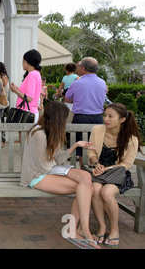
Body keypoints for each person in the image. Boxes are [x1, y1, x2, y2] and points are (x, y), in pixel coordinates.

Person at [20, 101, 100, 249]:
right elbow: (44, 167)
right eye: (64, 118)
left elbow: (56, 158)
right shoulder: (39, 135)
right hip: (36, 175)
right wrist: (66, 173)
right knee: (86, 188)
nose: (66, 121)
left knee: (86, 180)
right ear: (58, 118)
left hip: (49, 170)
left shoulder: (50, 131)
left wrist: (75, 146)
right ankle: (80, 230)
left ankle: (79, 228)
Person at [86, 103, 141, 248]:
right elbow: (91, 151)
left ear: (122, 119)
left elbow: (127, 164)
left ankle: (114, 229)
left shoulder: (131, 139)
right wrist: (96, 163)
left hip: (117, 173)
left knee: (107, 192)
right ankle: (102, 227)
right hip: (97, 171)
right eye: (105, 115)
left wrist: (106, 169)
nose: (106, 119)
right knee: (95, 189)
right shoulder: (97, 130)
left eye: (110, 116)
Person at [64, 57, 107, 166]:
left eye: (79, 65)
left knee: (82, 147)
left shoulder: (77, 83)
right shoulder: (102, 83)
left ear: (83, 68)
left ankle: (85, 172)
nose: (77, 67)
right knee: (95, 147)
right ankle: (94, 172)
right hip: (98, 118)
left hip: (81, 117)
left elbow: (67, 99)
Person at [10, 49, 42, 124]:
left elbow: (29, 98)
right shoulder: (36, 73)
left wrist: (16, 91)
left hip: (27, 113)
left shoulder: (32, 74)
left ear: (26, 62)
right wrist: (17, 90)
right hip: (30, 112)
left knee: (23, 135)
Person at [0, 61, 9, 146]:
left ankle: (2, 140)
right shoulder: (4, 76)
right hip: (1, 102)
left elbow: (2, 88)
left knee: (1, 121)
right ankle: (0, 140)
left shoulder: (3, 77)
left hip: (1, 103)